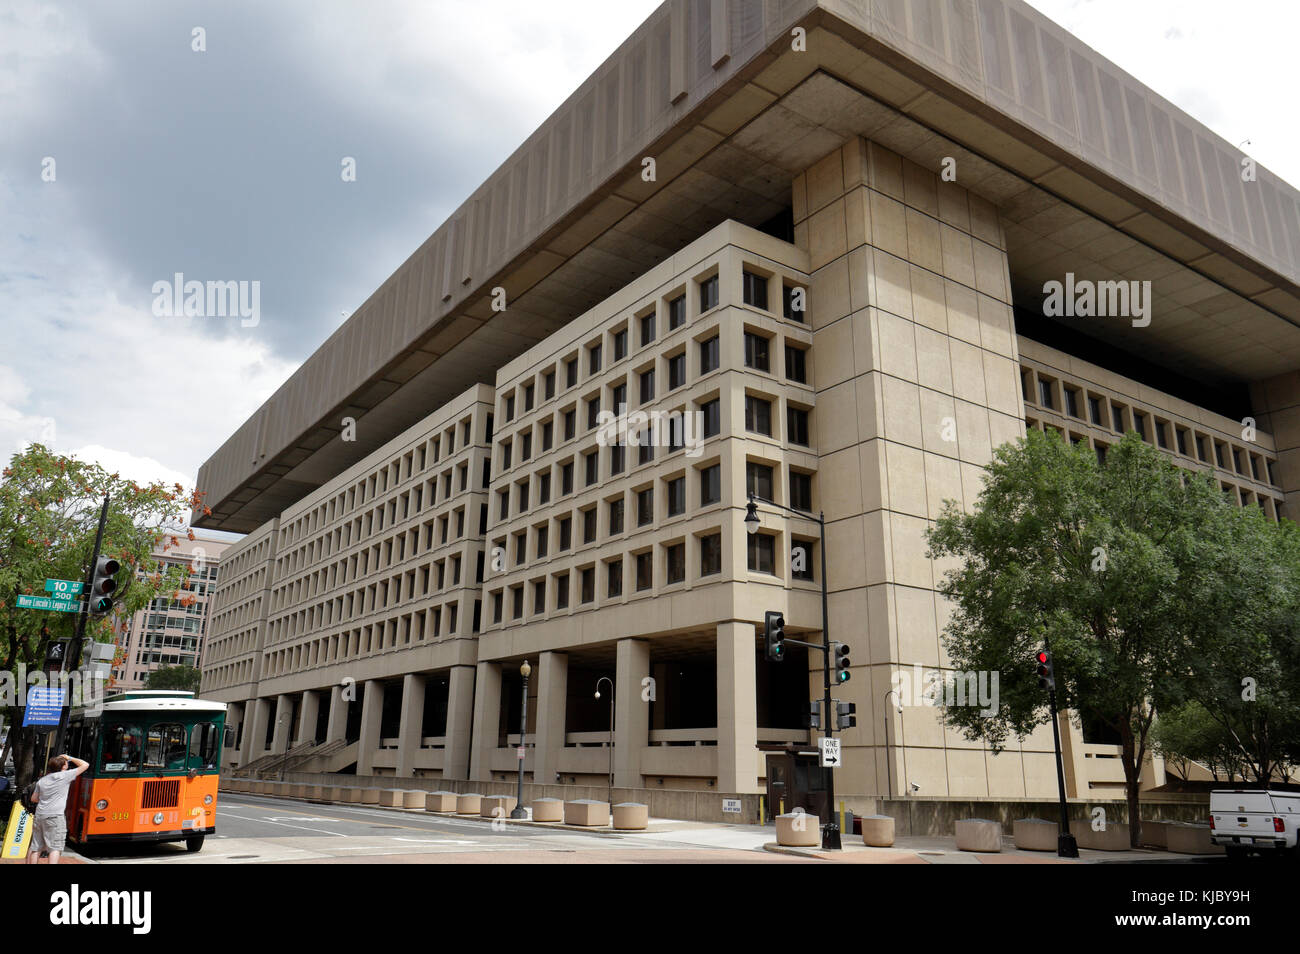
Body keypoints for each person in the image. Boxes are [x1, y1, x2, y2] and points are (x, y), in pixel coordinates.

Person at [26, 754, 88, 864]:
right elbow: (85, 765)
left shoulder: (42, 780)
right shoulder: (65, 776)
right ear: (63, 767)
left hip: (40, 815)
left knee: (36, 847)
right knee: (55, 847)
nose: (68, 765)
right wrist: (69, 757)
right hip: (55, 816)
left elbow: (34, 798)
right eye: (66, 763)